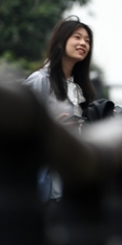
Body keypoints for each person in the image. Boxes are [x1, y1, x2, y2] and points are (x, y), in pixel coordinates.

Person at [22, 16, 96, 201]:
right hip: (46, 180)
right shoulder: (40, 80)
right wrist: (52, 125)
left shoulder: (78, 88)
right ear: (61, 41)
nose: (83, 43)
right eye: (77, 37)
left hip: (70, 177)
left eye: (87, 41)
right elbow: (20, 128)